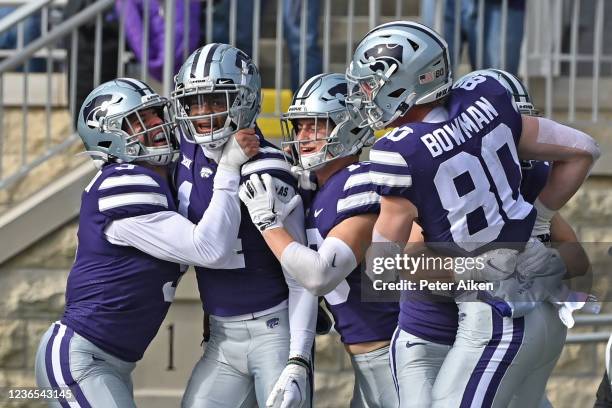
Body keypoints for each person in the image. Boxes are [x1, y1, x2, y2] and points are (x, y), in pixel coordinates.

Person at [345, 21, 599, 408]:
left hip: (495, 317)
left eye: (370, 83)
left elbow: (384, 268)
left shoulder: (400, 153)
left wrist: (475, 270)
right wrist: (539, 224)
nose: (365, 94)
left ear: (408, 81)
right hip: (540, 315)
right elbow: (584, 148)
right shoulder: (488, 99)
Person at [33, 77, 259, 407]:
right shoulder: (123, 180)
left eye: (155, 113)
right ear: (110, 137)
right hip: (81, 358)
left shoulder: (161, 178)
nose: (156, 123)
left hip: (112, 362)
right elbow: (209, 248)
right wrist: (227, 168)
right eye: (140, 119)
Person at [240, 73, 400, 407]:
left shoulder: (361, 182)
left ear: (348, 128)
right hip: (371, 358)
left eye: (316, 125)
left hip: (392, 356)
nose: (303, 136)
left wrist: (269, 223)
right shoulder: (319, 188)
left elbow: (318, 275)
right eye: (299, 126)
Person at [172, 43, 318, 408]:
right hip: (221, 338)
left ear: (244, 100)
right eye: (195, 101)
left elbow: (299, 274)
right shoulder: (186, 148)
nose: (202, 114)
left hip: (273, 332)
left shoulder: (266, 168)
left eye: (215, 100)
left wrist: (298, 357)